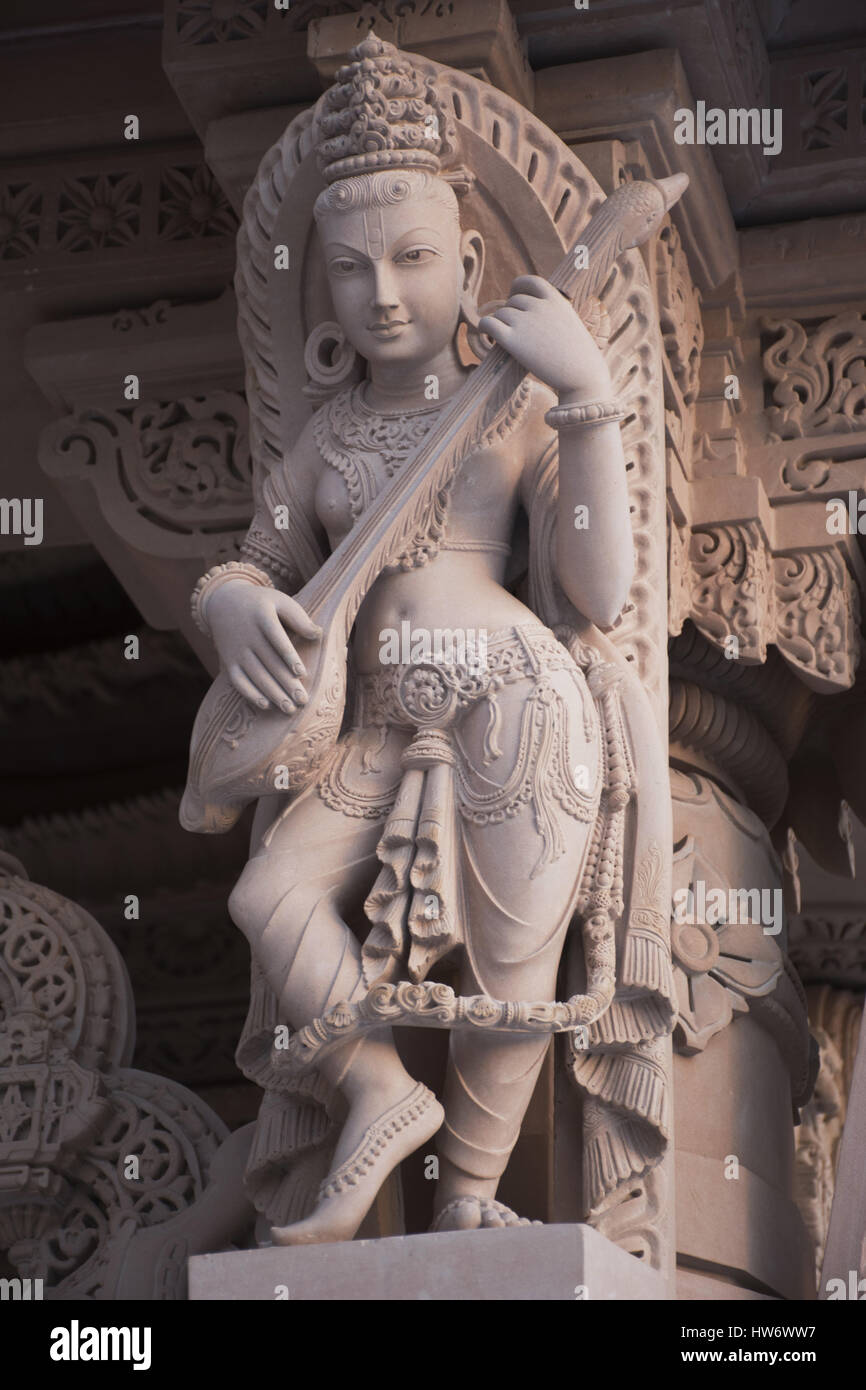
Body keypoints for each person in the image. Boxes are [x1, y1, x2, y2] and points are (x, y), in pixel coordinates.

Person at [190, 34, 634, 1244]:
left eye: (413, 260)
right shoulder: (325, 442)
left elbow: (598, 590)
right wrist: (230, 605)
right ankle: (375, 1085)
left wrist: (586, 400)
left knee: (508, 951)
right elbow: (259, 561)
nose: (381, 293)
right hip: (371, 720)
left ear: (473, 261)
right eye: (348, 271)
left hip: (514, 701)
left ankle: (472, 1198)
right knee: (269, 890)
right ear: (317, 289)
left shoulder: (517, 408)